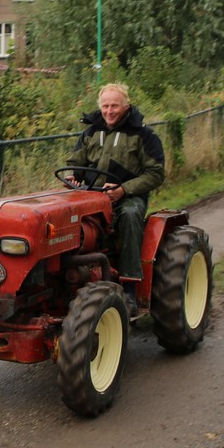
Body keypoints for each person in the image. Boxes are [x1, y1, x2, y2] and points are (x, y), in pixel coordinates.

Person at [64, 83, 166, 316]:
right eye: (105, 106)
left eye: (114, 106)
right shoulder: (90, 133)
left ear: (126, 106)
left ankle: (130, 288)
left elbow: (156, 174)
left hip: (127, 197)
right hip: (91, 195)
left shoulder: (143, 135)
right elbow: (75, 163)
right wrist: (73, 176)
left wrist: (123, 189)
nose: (109, 111)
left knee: (130, 216)